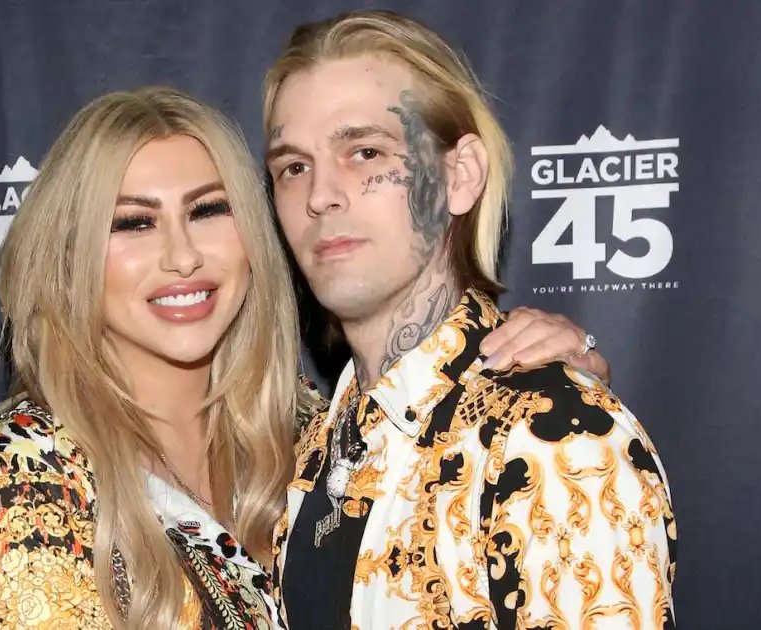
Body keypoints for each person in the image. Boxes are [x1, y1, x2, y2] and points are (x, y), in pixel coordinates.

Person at [0, 88, 608, 628]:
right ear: (67, 259)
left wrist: (562, 377)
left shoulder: (307, 427)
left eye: (209, 211)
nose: (183, 256)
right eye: (134, 222)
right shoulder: (28, 468)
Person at [262, 10, 676, 630]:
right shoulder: (317, 443)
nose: (320, 195)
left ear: (459, 176)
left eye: (366, 152)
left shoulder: (554, 439)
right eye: (293, 167)